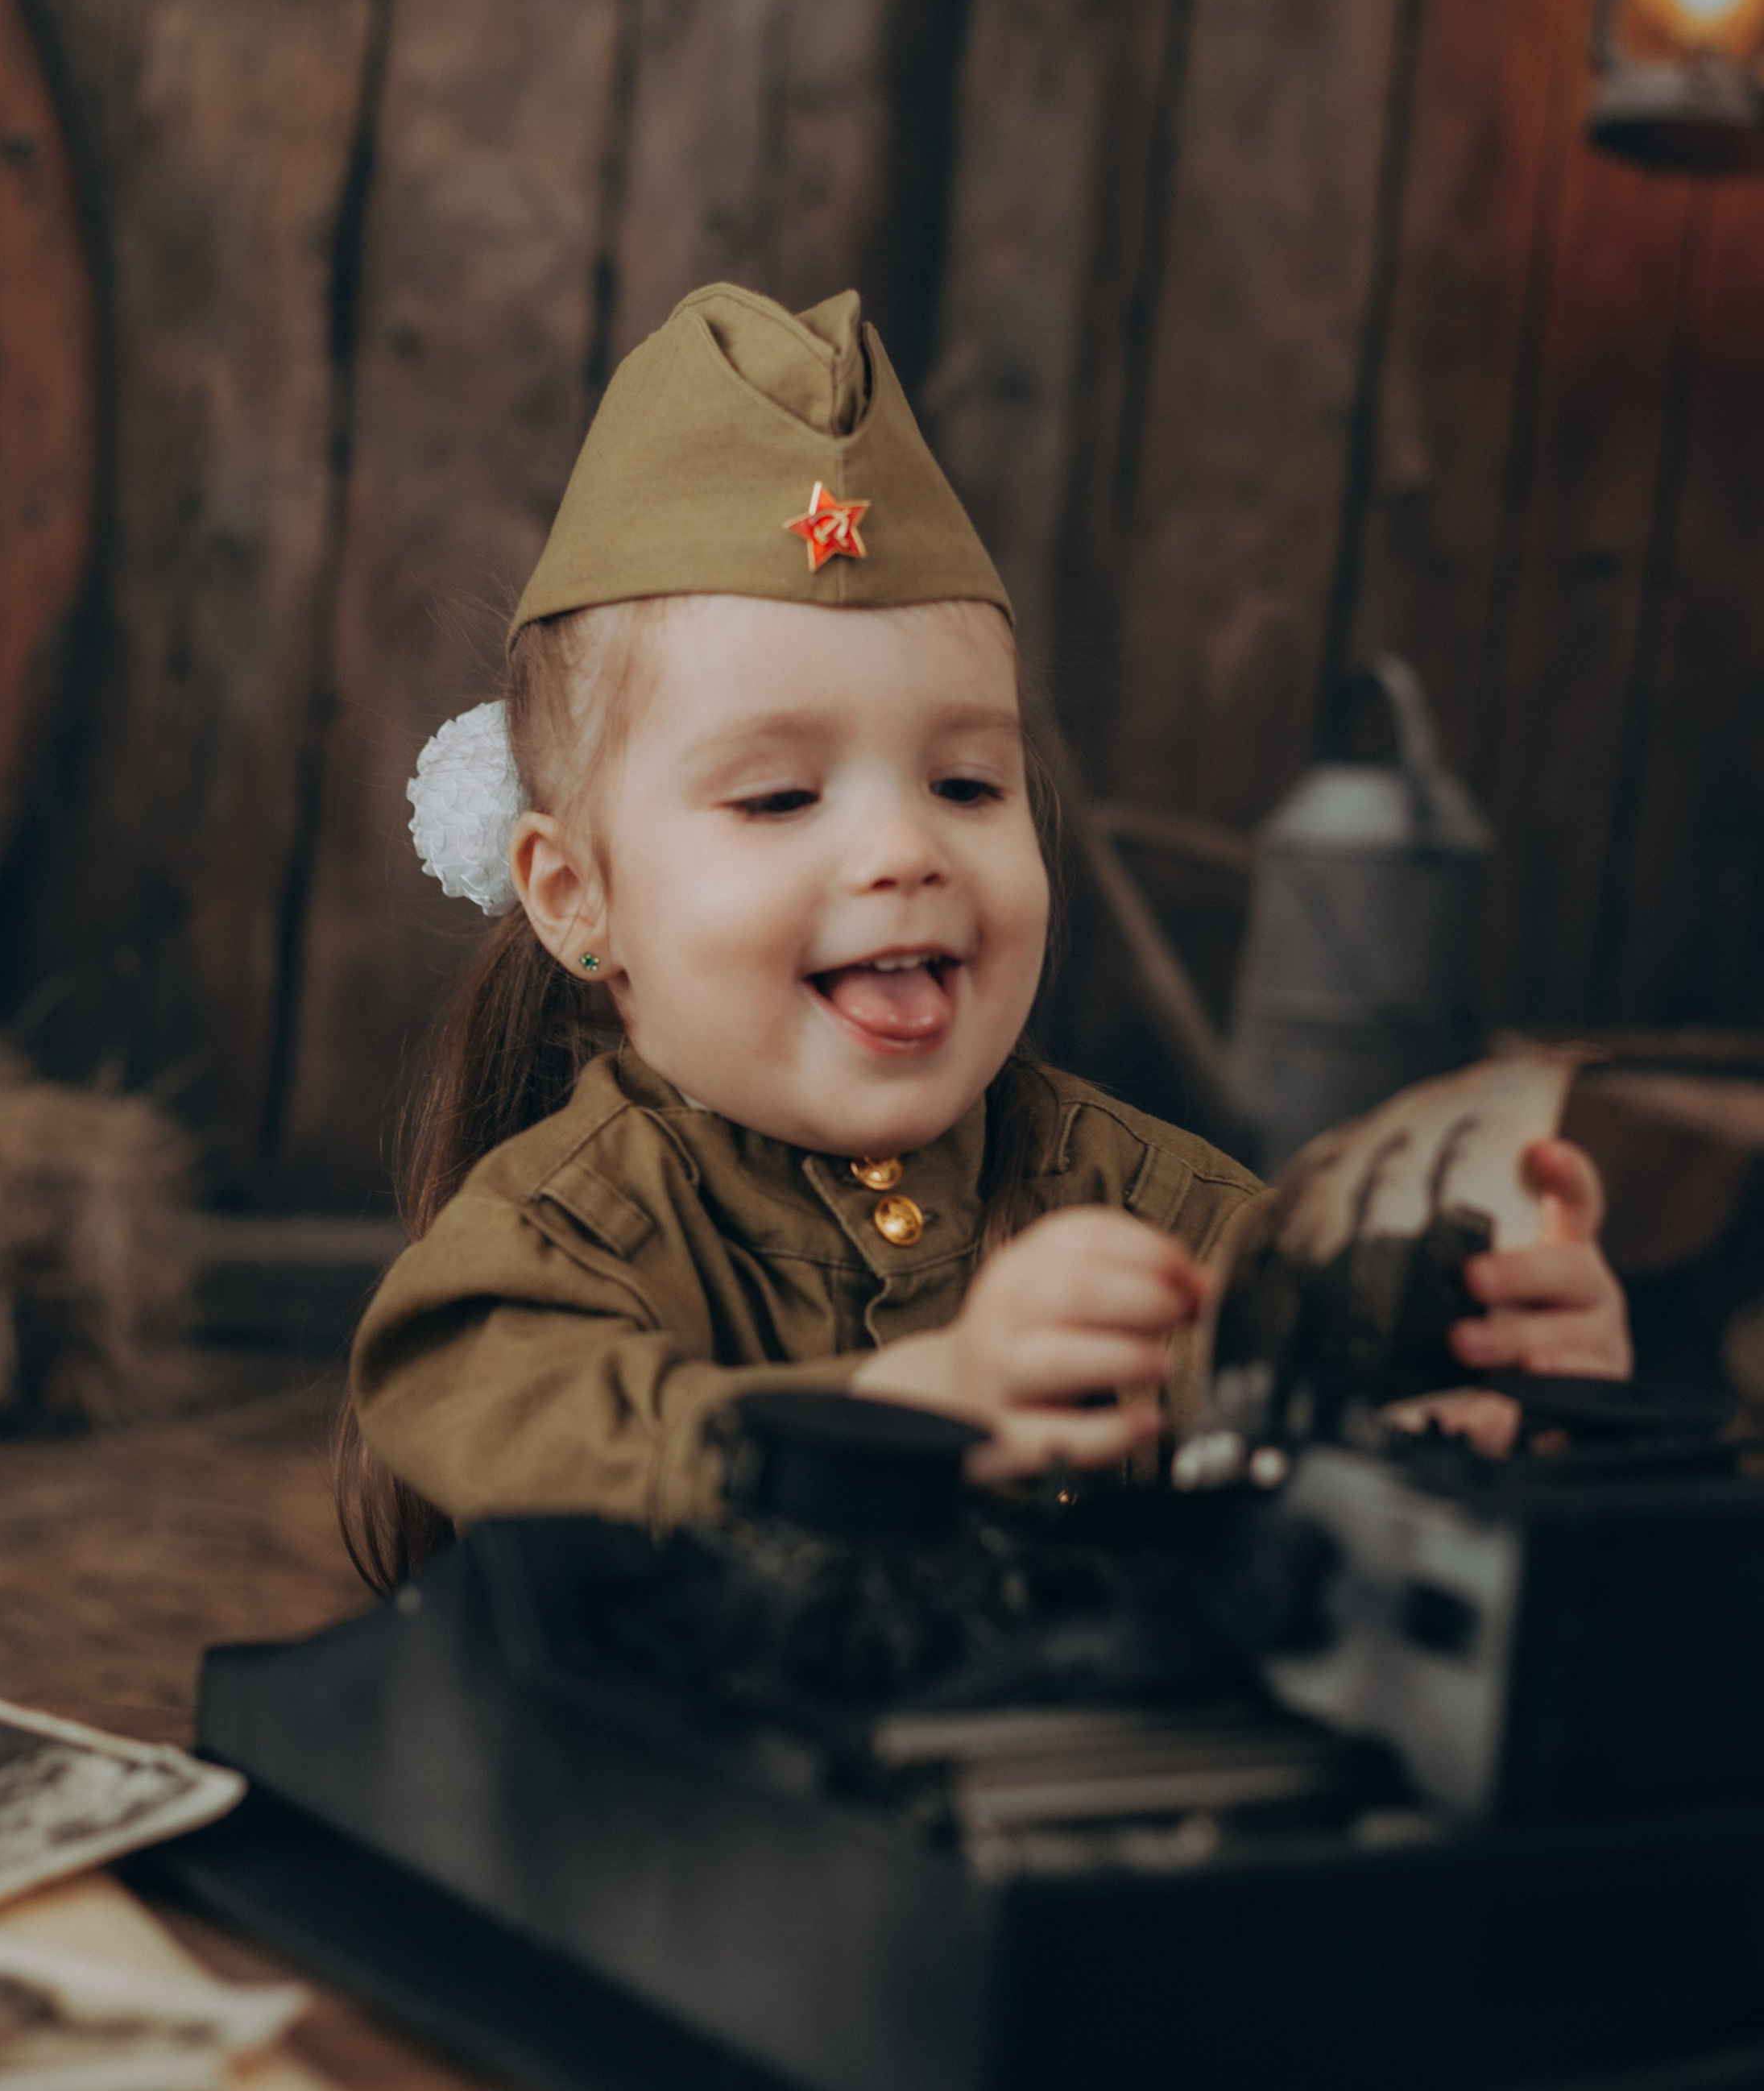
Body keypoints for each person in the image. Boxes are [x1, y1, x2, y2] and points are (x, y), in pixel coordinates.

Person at [342, 284, 1629, 1585]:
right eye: (780, 797)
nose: (908, 852)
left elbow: (1336, 1432)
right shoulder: (567, 1238)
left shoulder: (1165, 1216)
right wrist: (891, 1423)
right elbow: (486, 1407)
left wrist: (1490, 1377)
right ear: (575, 897)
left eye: (968, 785)